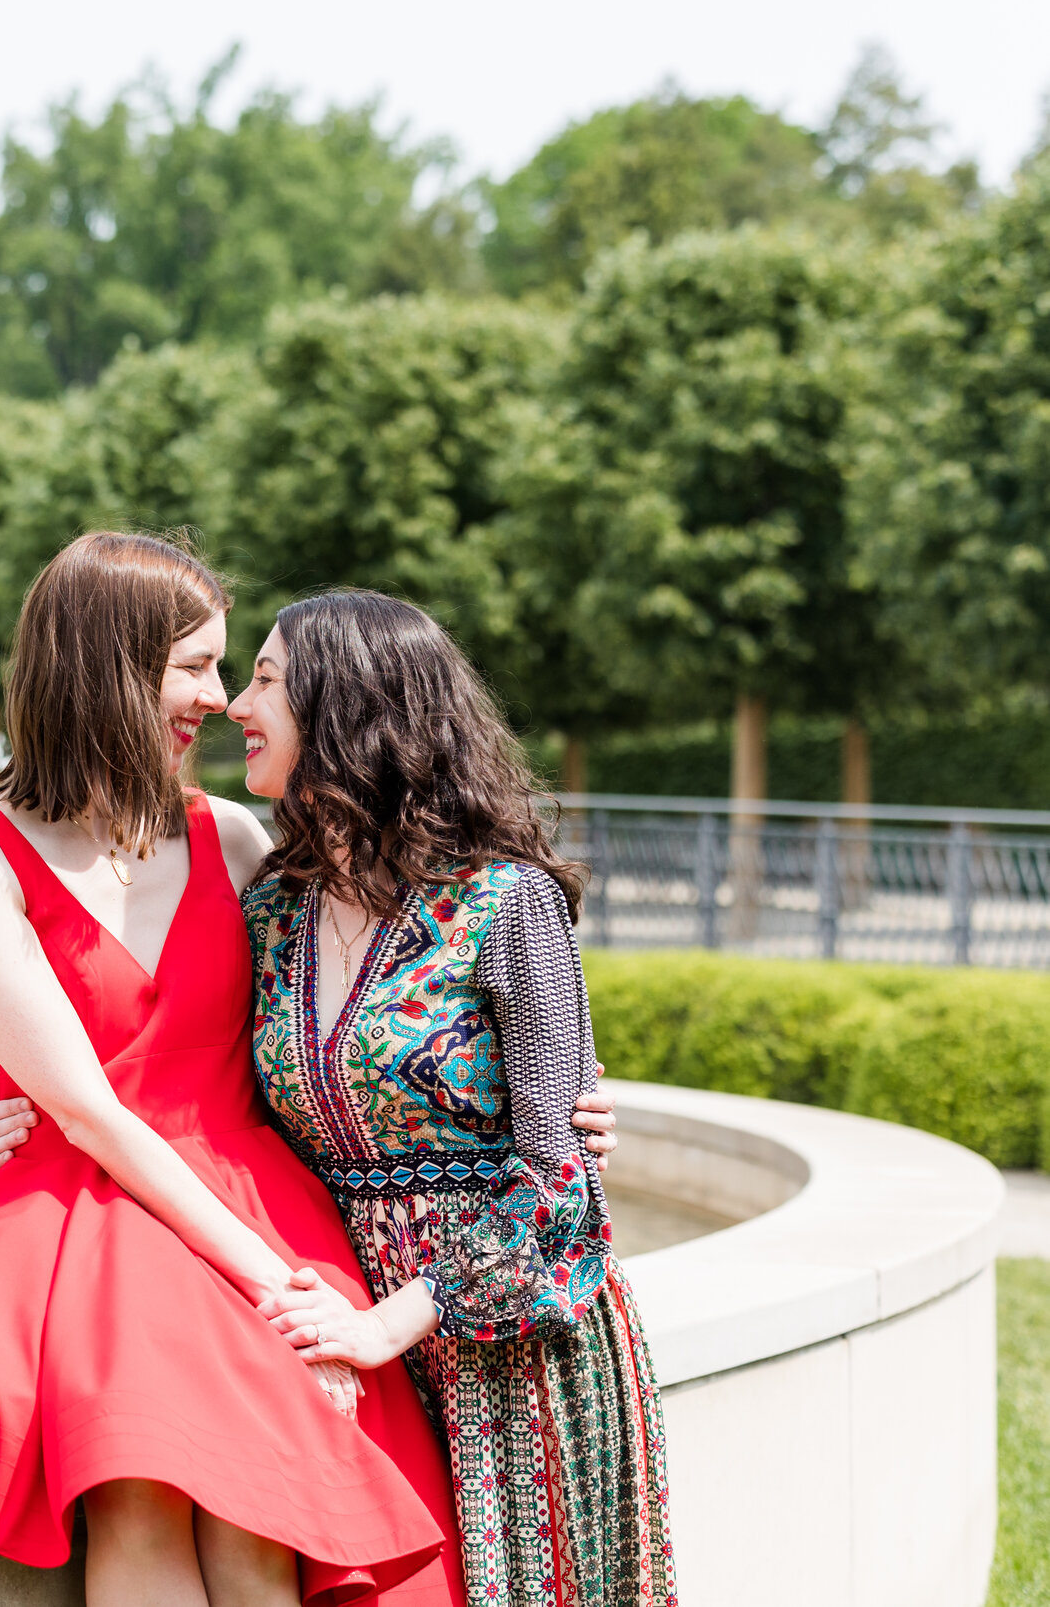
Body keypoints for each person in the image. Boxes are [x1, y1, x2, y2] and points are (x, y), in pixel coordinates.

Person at [0, 533, 463, 1607]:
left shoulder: (232, 839)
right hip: (89, 1212)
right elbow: (86, 1105)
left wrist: (543, 1089)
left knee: (261, 1529)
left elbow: (361, 1019)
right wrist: (276, 1286)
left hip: (252, 1198)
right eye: (193, 665)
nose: (218, 700)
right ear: (108, 664)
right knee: (139, 1497)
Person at [230, 589, 672, 1605]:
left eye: (261, 676)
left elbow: (561, 1182)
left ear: (345, 703)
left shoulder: (504, 902)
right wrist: (4, 1115)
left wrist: (397, 1319)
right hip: (343, 1324)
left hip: (511, 1344)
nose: (232, 704)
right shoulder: (271, 909)